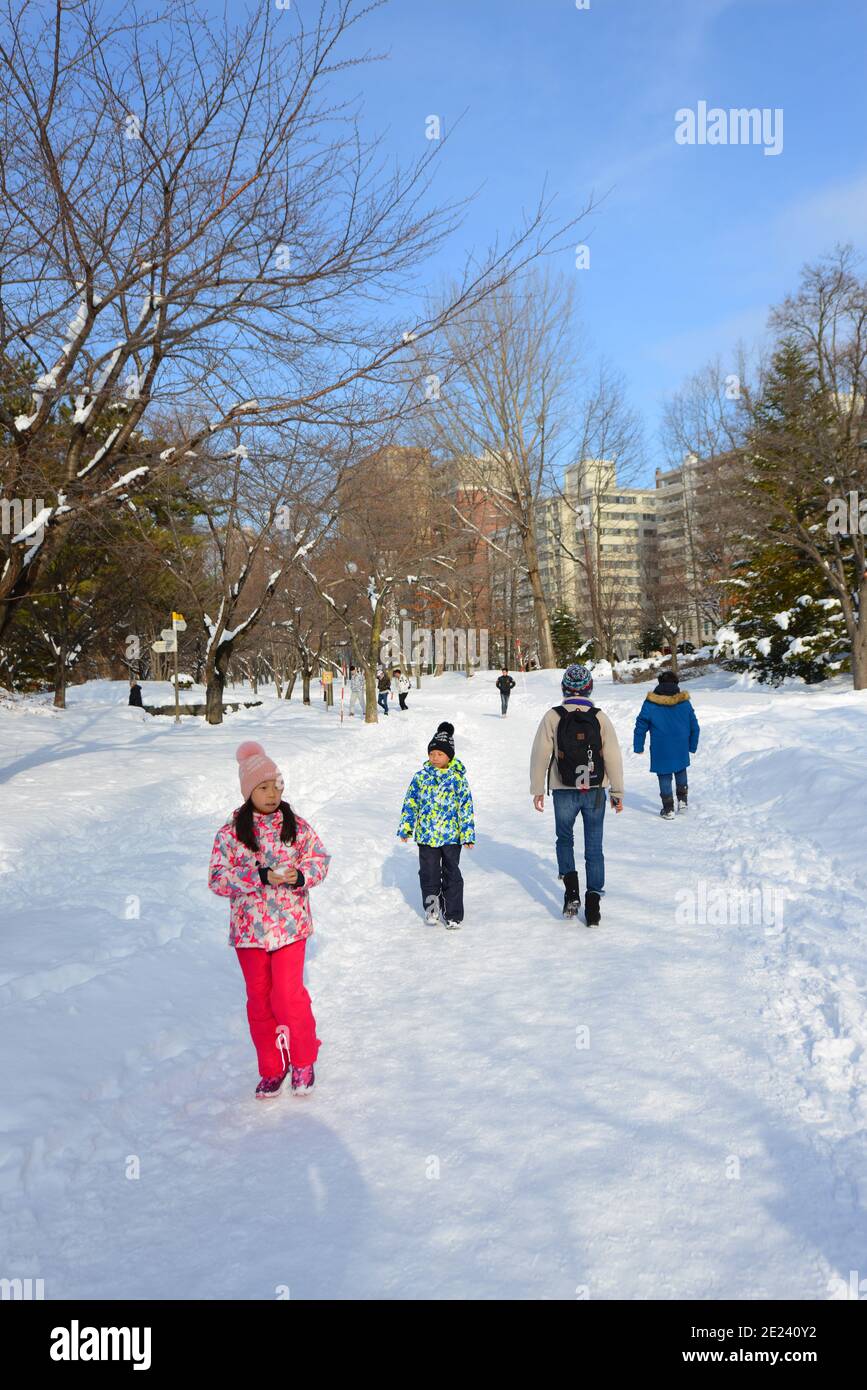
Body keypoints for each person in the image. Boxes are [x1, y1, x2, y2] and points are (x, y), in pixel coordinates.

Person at [208, 741, 330, 1100]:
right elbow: (217, 878)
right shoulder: (230, 833)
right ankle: (272, 1067)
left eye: (276, 785)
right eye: (263, 787)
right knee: (259, 1001)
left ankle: (303, 1059)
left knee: (288, 996)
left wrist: (300, 875)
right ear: (248, 791)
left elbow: (320, 858)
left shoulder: (295, 824)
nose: (272, 793)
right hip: (250, 932)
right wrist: (259, 876)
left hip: (291, 927)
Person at [529, 663, 624, 926]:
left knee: (564, 838)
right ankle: (593, 901)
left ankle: (571, 890)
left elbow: (540, 755)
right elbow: (613, 755)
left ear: (564, 689)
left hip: (564, 789)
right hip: (594, 790)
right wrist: (617, 790)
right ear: (589, 688)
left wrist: (538, 788)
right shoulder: (600, 717)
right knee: (594, 846)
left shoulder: (553, 716)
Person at [397, 721, 475, 929]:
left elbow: (465, 807)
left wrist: (467, 834)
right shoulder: (421, 777)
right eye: (432, 753)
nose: (435, 758)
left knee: (452, 874)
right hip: (427, 837)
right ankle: (432, 909)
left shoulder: (457, 779)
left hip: (451, 837)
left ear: (449, 756)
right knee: (429, 874)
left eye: (440, 754)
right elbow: (410, 803)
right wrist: (406, 827)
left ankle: (453, 914)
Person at [633, 669, 700, 819]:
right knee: (681, 770)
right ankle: (682, 801)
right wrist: (692, 745)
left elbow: (641, 724)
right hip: (680, 745)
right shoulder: (684, 702)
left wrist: (638, 746)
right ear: (676, 683)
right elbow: (694, 725)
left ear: (660, 683)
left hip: (660, 747)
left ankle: (668, 809)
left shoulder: (650, 703)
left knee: (664, 776)